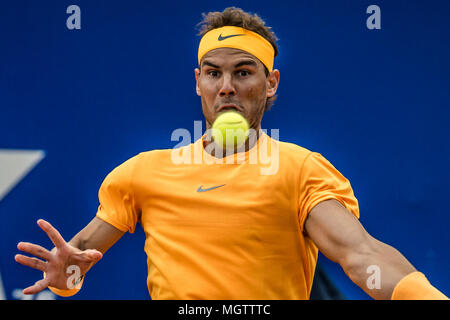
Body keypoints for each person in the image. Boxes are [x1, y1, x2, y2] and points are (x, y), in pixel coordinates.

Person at [15, 7, 447, 300]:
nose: (226, 86)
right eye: (213, 73)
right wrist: (66, 275)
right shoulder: (140, 174)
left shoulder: (300, 171)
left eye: (243, 72)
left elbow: (362, 254)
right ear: (197, 82)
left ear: (271, 83)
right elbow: (78, 259)